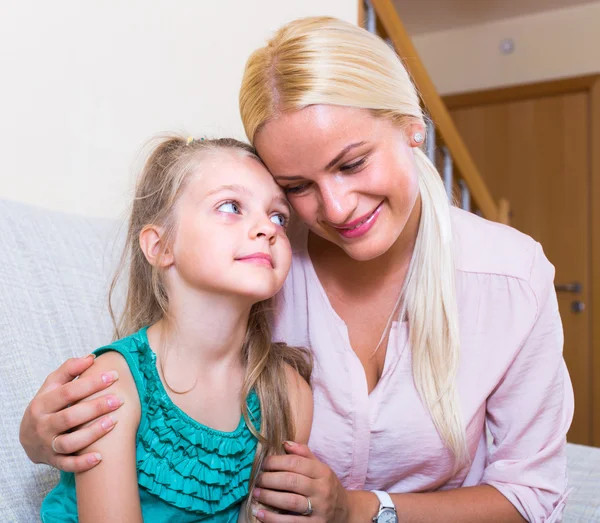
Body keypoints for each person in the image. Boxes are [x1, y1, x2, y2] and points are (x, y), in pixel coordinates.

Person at [21, 17, 573, 523]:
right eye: (296, 188)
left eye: (352, 163)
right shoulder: (257, 270)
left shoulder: (511, 280)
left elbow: (531, 494)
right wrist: (42, 436)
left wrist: (361, 509)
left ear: (411, 126)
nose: (335, 209)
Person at [38, 136, 313, 522]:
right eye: (231, 206)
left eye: (278, 216)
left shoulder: (287, 394)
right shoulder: (112, 385)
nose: (267, 228)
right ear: (161, 245)